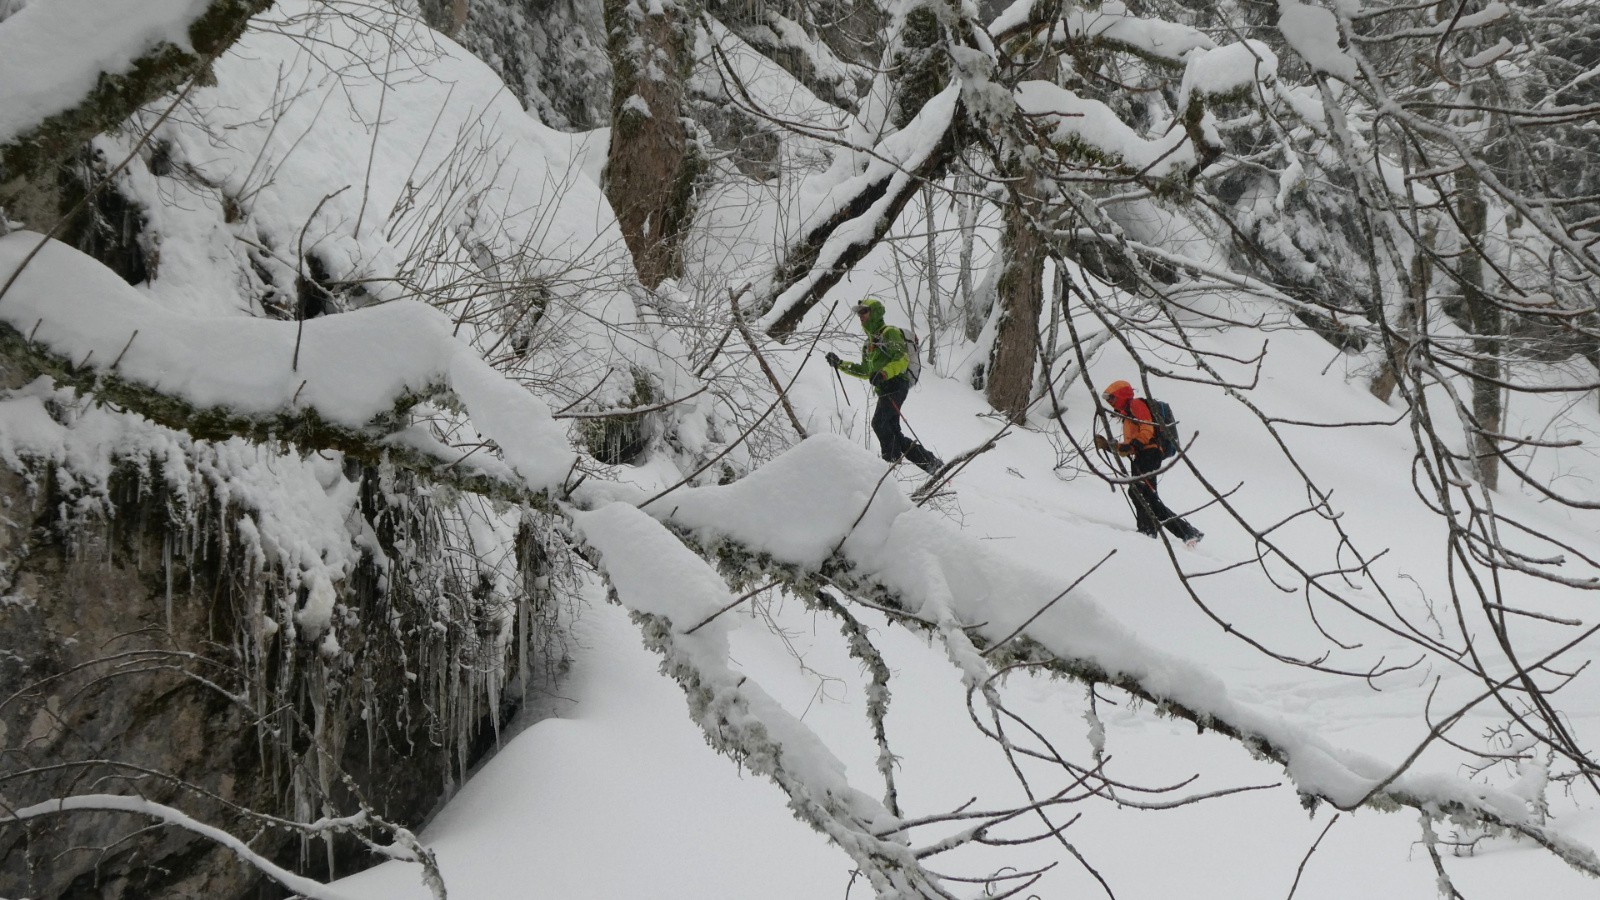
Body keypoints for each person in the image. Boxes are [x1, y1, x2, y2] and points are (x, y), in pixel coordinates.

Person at [826, 299, 943, 474]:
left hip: (896, 384)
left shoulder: (890, 333)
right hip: (884, 388)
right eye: (859, 313)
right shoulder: (869, 344)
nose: (860, 316)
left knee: (879, 422)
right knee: (893, 431)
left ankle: (890, 464)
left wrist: (883, 373)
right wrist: (840, 364)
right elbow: (865, 371)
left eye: (864, 311)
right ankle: (931, 463)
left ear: (875, 313)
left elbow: (902, 360)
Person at [1094, 379, 1203, 546]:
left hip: (1150, 454)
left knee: (1143, 493)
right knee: (1142, 494)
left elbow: (1147, 429)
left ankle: (1167, 531)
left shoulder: (1135, 404)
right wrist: (1110, 447)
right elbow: (1130, 447)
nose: (1110, 402)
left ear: (1121, 395)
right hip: (1142, 456)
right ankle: (1159, 530)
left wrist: (1133, 445)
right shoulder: (1127, 416)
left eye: (1112, 398)